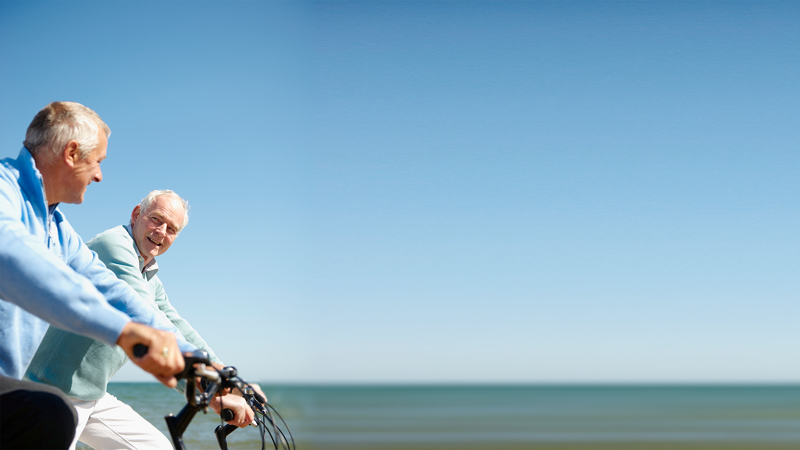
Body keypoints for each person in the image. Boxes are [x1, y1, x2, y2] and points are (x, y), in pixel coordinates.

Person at [0, 102, 195, 449]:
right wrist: (125, 332)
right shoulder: (5, 191)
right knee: (50, 414)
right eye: (99, 161)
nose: (99, 176)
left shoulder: (57, 228)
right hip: (44, 393)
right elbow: (12, 253)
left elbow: (113, 293)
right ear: (72, 153)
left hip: (36, 392)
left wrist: (205, 369)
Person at [26, 190, 257, 449]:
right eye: (156, 219)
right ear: (137, 214)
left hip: (92, 395)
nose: (161, 232)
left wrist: (230, 381)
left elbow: (178, 325)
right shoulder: (112, 245)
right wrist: (203, 385)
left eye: (171, 229)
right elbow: (144, 315)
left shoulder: (150, 276)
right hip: (52, 392)